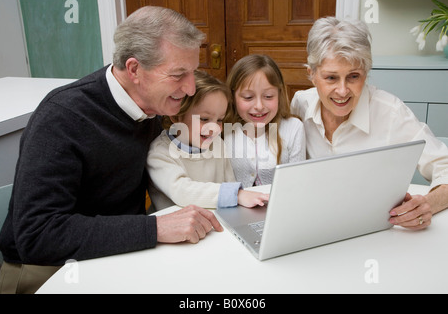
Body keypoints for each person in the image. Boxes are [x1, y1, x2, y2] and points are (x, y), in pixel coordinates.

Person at [0, 6, 223, 294]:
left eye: (193, 72)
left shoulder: (152, 107)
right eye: (179, 74)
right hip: (44, 273)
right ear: (134, 70)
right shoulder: (61, 117)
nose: (191, 88)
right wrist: (155, 229)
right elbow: (38, 236)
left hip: (116, 256)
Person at [290, 16, 448, 230]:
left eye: (354, 76)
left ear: (366, 73)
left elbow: (444, 166)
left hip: (374, 232)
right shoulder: (300, 104)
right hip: (314, 225)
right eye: (331, 78)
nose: (343, 91)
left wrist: (427, 205)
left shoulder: (391, 113)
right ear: (312, 74)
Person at [147, 70, 269, 211]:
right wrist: (236, 195)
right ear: (176, 116)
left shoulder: (217, 144)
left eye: (220, 120)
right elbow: (183, 192)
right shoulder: (160, 153)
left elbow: (229, 182)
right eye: (204, 119)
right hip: (178, 229)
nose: (214, 128)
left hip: (216, 222)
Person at [225, 54, 306, 188]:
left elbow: (297, 183)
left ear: (279, 94)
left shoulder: (293, 128)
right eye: (248, 97)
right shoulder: (225, 130)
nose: (259, 106)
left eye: (268, 96)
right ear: (233, 97)